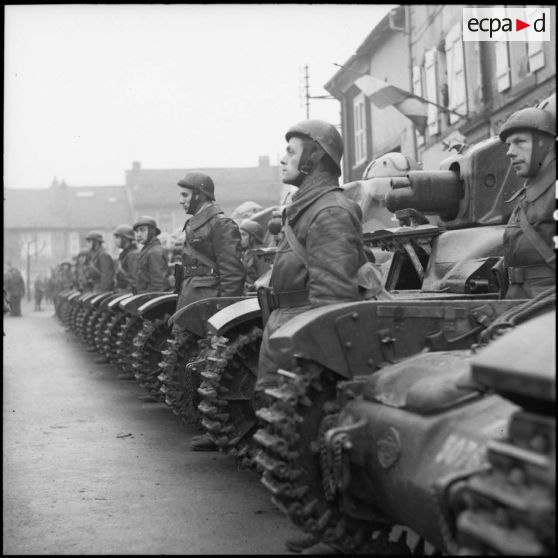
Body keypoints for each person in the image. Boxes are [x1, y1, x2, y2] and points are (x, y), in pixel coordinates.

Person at [255, 119, 365, 555]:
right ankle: (316, 515)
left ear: (315, 158)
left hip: (306, 322)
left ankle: (332, 524)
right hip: (288, 319)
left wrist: (312, 354)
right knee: (289, 423)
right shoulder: (305, 205)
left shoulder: (330, 210)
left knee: (313, 424)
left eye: (292, 150)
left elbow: (334, 295)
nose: (283, 157)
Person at [175, 171, 246, 451]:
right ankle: (206, 423)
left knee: (214, 367)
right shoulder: (196, 223)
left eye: (185, 194)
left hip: (212, 305)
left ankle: (217, 430)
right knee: (200, 364)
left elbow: (232, 272)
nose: (180, 200)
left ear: (200, 194)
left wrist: (228, 315)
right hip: (195, 299)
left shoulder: (220, 224)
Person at [498, 102, 556, 299]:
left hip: (544, 305)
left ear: (544, 144)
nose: (510, 152)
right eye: (509, 145)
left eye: (520, 142)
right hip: (522, 301)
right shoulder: (527, 193)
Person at [133, 216, 170, 293]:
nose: (138, 234)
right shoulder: (148, 250)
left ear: (152, 231)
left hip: (150, 297)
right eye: (137, 231)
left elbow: (159, 286)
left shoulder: (155, 252)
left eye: (142, 230)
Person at [239, 218, 271, 292]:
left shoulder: (260, 255)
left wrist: (249, 286)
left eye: (244, 235)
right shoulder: (246, 253)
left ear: (253, 237)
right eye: (240, 234)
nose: (240, 238)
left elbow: (264, 282)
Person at [113, 224, 140, 292]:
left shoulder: (133, 255)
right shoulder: (125, 254)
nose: (115, 240)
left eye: (117, 237)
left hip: (129, 293)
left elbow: (134, 281)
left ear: (125, 239)